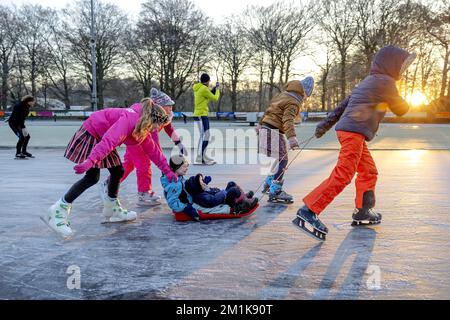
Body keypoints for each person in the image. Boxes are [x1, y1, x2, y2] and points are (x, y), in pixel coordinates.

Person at [295, 45, 416, 238]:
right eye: (402, 65)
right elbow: (402, 109)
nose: (403, 70)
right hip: (353, 133)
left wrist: (324, 126)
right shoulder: (385, 82)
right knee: (344, 174)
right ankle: (309, 210)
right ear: (391, 63)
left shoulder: (368, 81)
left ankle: (363, 210)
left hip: (349, 131)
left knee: (368, 170)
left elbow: (343, 105)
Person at [42, 100, 177, 238]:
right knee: (92, 178)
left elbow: (154, 152)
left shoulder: (142, 128)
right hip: (92, 133)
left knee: (118, 171)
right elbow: (109, 141)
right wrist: (91, 160)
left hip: (102, 135)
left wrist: (167, 171)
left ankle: (111, 208)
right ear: (151, 120)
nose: (157, 130)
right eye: (158, 126)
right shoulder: (129, 121)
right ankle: (58, 211)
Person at [106, 89, 187, 205]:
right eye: (169, 106)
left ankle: (109, 184)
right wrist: (163, 165)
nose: (171, 109)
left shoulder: (165, 116)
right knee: (144, 165)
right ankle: (144, 193)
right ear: (161, 106)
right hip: (137, 141)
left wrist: (178, 142)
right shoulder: (152, 117)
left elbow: (169, 129)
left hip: (138, 140)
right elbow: (154, 144)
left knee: (128, 165)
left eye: (171, 106)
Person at [257, 77, 314, 203]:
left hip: (265, 129)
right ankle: (275, 190)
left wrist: (260, 124)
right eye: (306, 95)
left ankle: (269, 184)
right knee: (283, 159)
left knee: (277, 158)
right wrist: (291, 137)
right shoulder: (294, 101)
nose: (305, 99)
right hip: (274, 131)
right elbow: (287, 119)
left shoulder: (282, 95)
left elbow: (269, 110)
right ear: (303, 92)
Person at [184, 174, 258, 214]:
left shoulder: (200, 191)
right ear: (197, 187)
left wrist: (212, 189)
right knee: (233, 191)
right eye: (201, 182)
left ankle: (244, 197)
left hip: (222, 196)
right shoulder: (200, 197)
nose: (203, 182)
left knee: (231, 183)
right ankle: (243, 204)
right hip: (224, 202)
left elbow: (210, 191)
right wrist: (222, 192)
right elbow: (213, 201)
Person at [161, 155, 200, 221]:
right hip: (185, 206)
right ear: (176, 168)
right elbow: (172, 202)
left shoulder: (179, 178)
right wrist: (187, 209)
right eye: (184, 166)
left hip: (189, 201)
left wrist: (198, 184)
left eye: (187, 166)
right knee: (208, 201)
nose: (187, 168)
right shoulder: (174, 185)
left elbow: (185, 188)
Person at [193, 73, 220, 165]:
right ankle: (200, 157)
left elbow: (206, 98)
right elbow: (215, 98)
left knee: (206, 135)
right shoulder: (204, 89)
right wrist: (217, 90)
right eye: (209, 81)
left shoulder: (199, 88)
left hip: (201, 114)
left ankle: (203, 155)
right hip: (201, 115)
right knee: (204, 135)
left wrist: (213, 90)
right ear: (207, 81)